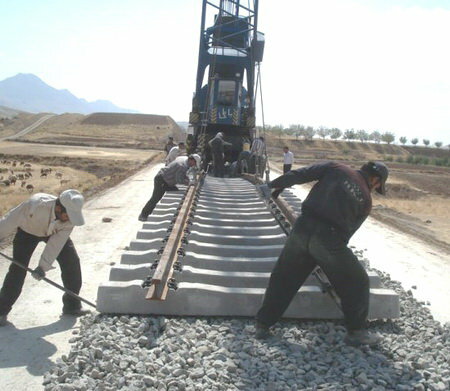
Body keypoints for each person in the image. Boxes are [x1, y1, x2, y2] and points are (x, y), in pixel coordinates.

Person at [255, 161, 389, 346]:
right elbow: (346, 235)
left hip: (302, 228)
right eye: (377, 186)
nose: (374, 188)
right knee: (358, 281)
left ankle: (263, 325)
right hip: (329, 239)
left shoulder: (337, 168)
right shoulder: (366, 201)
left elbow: (300, 174)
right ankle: (356, 333)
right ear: (375, 180)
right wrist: (327, 259)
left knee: (284, 278)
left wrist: (273, 185)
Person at [0, 189, 88, 326]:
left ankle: (72, 305)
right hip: (27, 232)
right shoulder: (35, 205)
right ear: (58, 208)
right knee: (18, 269)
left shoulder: (69, 220)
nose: (70, 219)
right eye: (67, 215)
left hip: (53, 233)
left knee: (72, 262)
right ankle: (1, 311)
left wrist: (43, 267)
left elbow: (55, 245)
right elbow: (10, 220)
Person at [138, 154, 201, 221]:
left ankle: (146, 213)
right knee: (155, 198)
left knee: (175, 189)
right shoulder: (181, 166)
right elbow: (179, 179)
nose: (194, 165)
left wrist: (187, 179)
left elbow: (182, 174)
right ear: (191, 160)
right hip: (161, 180)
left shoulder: (184, 159)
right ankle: (143, 214)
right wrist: (189, 183)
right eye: (194, 163)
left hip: (167, 180)